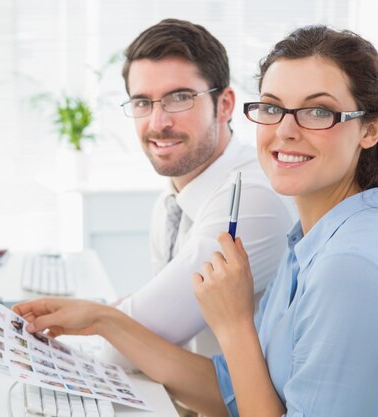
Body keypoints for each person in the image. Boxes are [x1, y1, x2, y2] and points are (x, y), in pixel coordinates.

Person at [14, 25, 378, 417]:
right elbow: (233, 391)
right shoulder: (314, 241)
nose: (286, 130)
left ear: (369, 131)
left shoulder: (353, 267)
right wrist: (104, 319)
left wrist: (234, 324)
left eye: (318, 112)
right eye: (273, 108)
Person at [102, 18, 294, 366]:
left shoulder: (250, 198)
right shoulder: (173, 199)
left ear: (225, 105)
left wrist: (99, 321)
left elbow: (126, 345)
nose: (158, 122)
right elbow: (149, 323)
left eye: (179, 98)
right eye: (143, 102)